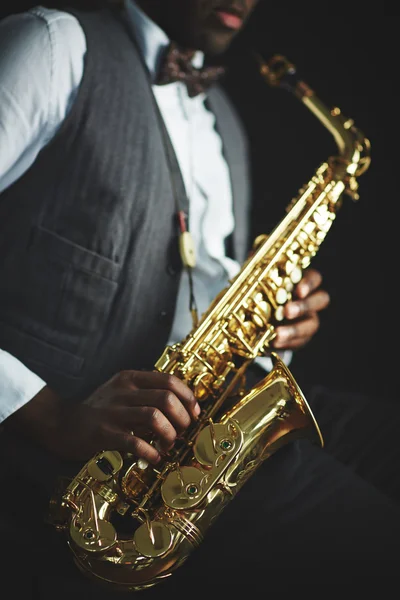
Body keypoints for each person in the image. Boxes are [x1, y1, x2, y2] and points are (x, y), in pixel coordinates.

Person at [0, 1, 398, 598]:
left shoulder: (224, 122)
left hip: (202, 413)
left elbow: (204, 290)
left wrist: (279, 317)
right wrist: (51, 415)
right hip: (96, 461)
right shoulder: (54, 46)